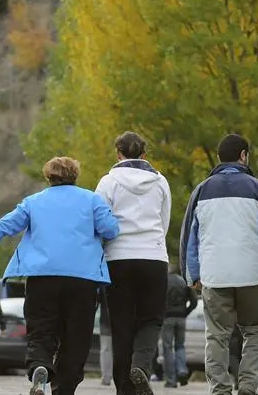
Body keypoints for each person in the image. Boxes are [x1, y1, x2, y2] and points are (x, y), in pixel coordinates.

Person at [0, 157, 119, 395]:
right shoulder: (92, 200)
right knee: (76, 337)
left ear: (49, 177)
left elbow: (5, 225)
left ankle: (40, 367)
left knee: (41, 331)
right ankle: (64, 387)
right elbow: (111, 230)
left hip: (42, 279)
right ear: (75, 175)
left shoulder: (33, 202)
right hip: (82, 280)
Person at [179, 134, 258, 395]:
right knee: (256, 331)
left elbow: (189, 239)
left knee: (216, 336)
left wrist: (191, 274)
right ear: (243, 155)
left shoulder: (201, 190)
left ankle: (220, 389)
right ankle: (249, 386)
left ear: (218, 158)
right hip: (251, 274)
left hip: (214, 275)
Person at [94, 132, 172, 395]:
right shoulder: (160, 182)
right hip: (153, 256)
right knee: (151, 319)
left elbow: (99, 223)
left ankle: (124, 389)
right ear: (144, 155)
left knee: (121, 325)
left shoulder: (107, 182)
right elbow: (164, 221)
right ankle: (140, 365)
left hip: (118, 259)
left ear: (118, 154)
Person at [162, 263, 198, 388]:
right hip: (181, 317)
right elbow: (194, 301)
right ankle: (182, 370)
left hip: (167, 318)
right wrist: (185, 313)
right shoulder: (183, 281)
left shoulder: (163, 281)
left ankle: (171, 380)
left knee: (167, 347)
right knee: (180, 346)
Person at [99, 290, 113, 386]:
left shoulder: (104, 278)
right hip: (107, 320)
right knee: (106, 348)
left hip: (106, 319)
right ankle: (106, 377)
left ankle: (106, 377)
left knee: (105, 349)